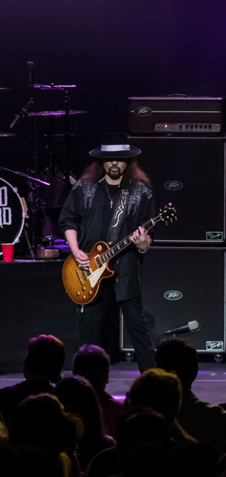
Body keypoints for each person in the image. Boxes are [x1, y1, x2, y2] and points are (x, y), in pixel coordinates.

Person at [59, 132, 156, 373]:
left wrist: (143, 244)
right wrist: (75, 250)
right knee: (88, 333)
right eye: (110, 159)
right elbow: (68, 219)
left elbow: (146, 236)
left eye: (120, 159)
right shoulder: (85, 187)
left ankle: (153, 380)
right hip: (88, 269)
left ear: (129, 161)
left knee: (138, 328)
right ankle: (84, 383)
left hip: (125, 269)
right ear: (101, 161)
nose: (114, 163)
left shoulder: (141, 191)